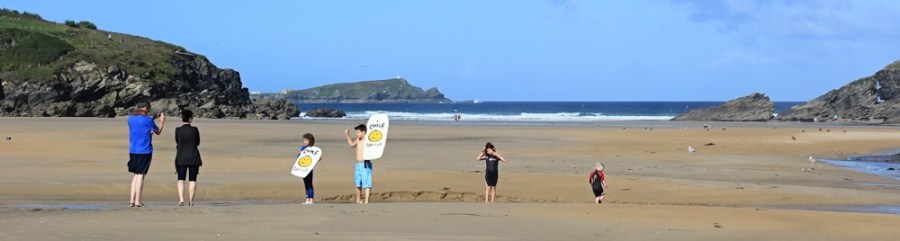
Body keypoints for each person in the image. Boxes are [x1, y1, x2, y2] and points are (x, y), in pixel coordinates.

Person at [127, 100, 165, 207]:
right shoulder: (147, 120)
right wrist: (162, 121)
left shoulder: (130, 119)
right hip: (144, 150)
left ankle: (132, 200)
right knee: (140, 175)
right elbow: (158, 131)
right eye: (148, 109)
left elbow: (143, 122)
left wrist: (152, 118)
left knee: (135, 174)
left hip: (133, 150)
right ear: (145, 108)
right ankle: (138, 200)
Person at [174, 109, 201, 207]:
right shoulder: (195, 130)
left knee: (181, 179)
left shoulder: (178, 130)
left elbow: (177, 142)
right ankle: (191, 201)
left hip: (181, 156)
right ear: (190, 118)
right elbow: (198, 142)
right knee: (192, 180)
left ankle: (181, 199)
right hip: (193, 156)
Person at [345, 124, 372, 204]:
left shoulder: (367, 140)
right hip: (358, 164)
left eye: (358, 132)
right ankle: (358, 200)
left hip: (365, 164)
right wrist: (347, 135)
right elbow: (352, 145)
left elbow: (376, 142)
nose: (357, 134)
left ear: (363, 132)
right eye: (356, 132)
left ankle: (366, 201)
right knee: (357, 182)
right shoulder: (358, 140)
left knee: (366, 183)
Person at [299, 133, 319, 204]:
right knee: (306, 184)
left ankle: (311, 199)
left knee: (309, 183)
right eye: (304, 140)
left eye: (306, 140)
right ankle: (307, 199)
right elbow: (299, 158)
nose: (304, 142)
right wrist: (301, 153)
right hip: (303, 168)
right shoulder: (303, 148)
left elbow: (318, 157)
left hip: (309, 169)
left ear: (310, 141)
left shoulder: (312, 149)